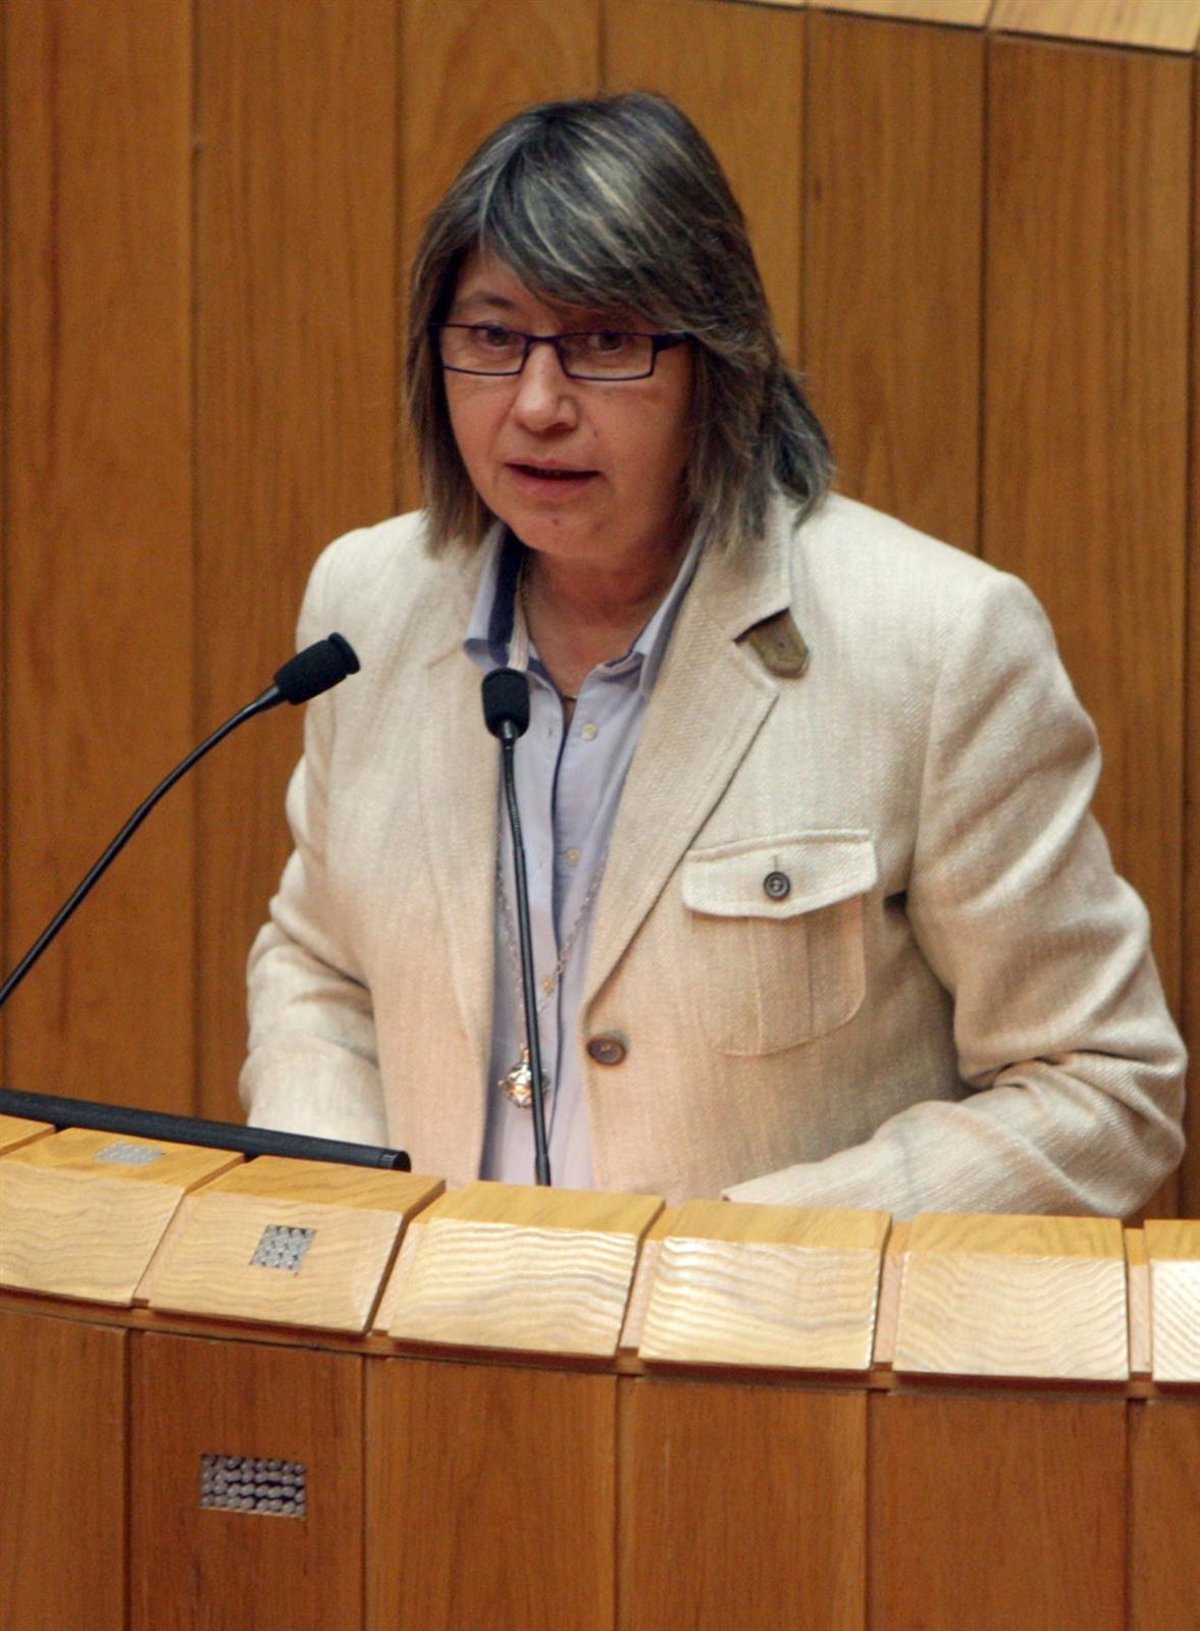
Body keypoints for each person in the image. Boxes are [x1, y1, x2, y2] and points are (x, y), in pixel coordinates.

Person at [240, 91, 1185, 1218]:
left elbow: (1101, 1085)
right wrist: (351, 1230)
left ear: (717, 364)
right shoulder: (368, 605)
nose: (537, 404)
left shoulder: (937, 644)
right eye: (493, 338)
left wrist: (740, 1258)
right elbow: (322, 968)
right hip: (434, 1321)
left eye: (605, 342)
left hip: (763, 1326)